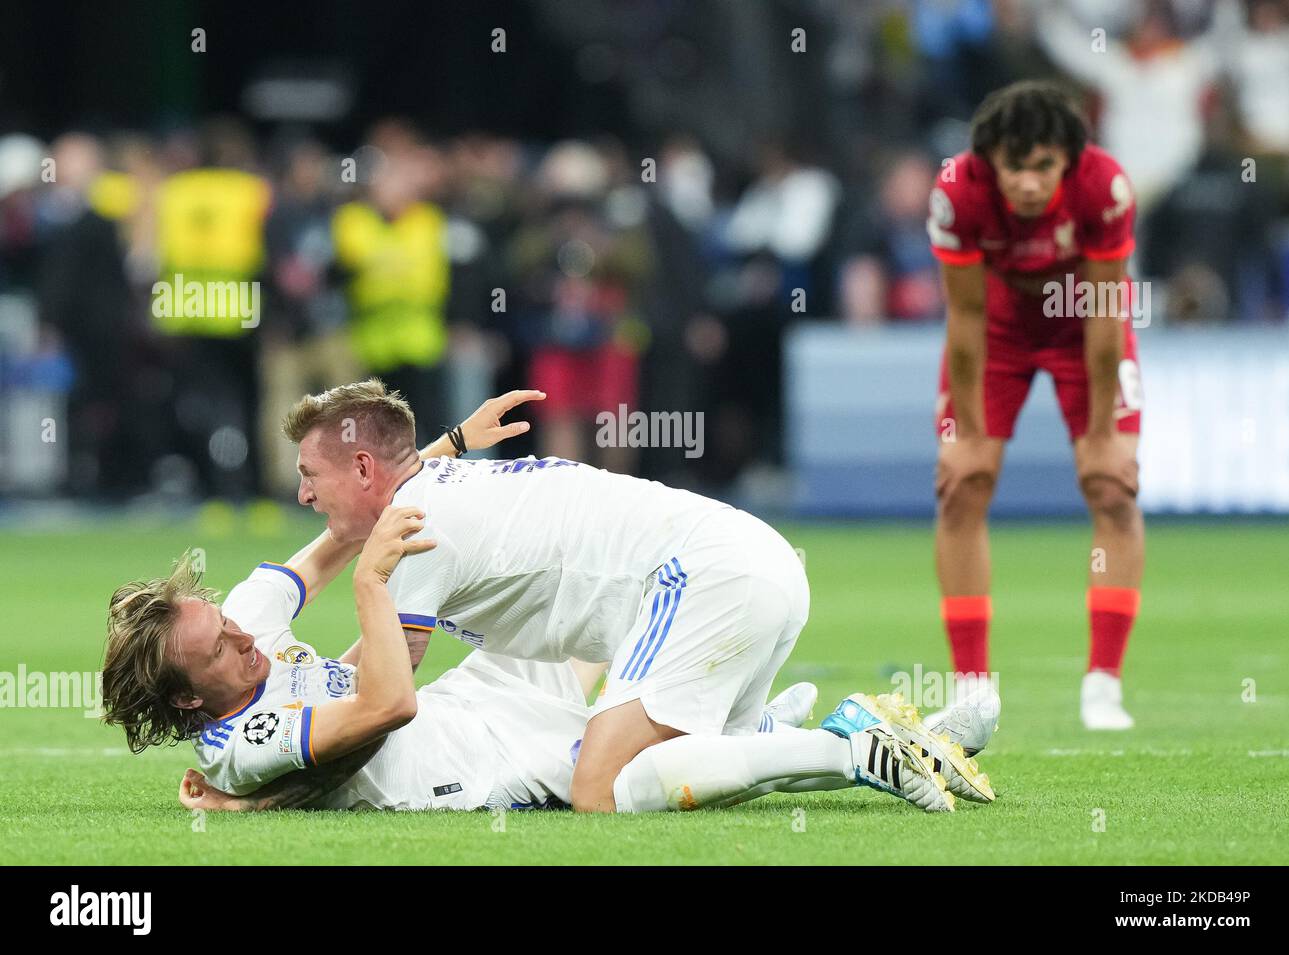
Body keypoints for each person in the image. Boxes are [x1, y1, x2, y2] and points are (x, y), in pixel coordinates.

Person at [281, 380, 994, 812]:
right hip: (749, 561)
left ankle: (858, 752)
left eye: (311, 471)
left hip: (704, 577)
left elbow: (384, 695)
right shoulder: (437, 490)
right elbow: (378, 669)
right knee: (713, 758)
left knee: (599, 786)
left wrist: (281, 764)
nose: (304, 491)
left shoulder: (415, 527)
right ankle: (903, 737)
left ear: (365, 465)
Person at [927, 81, 1144, 729]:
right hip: (996, 329)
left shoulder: (1105, 187)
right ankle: (971, 686)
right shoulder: (955, 191)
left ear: (1069, 162)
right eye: (1014, 165)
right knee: (963, 484)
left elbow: (1106, 315)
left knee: (1110, 485)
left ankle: (1103, 683)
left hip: (1083, 324)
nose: (1027, 182)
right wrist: (966, 431)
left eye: (1043, 165)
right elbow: (964, 318)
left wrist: (1104, 430)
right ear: (989, 160)